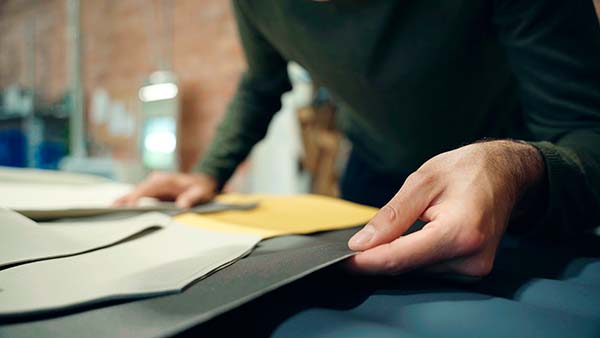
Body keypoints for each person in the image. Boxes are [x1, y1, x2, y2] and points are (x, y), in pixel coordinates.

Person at [116, 0, 600, 277]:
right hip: (376, 179)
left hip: (524, 191)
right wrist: (207, 173)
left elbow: (588, 131)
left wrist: (515, 170)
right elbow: (262, 83)